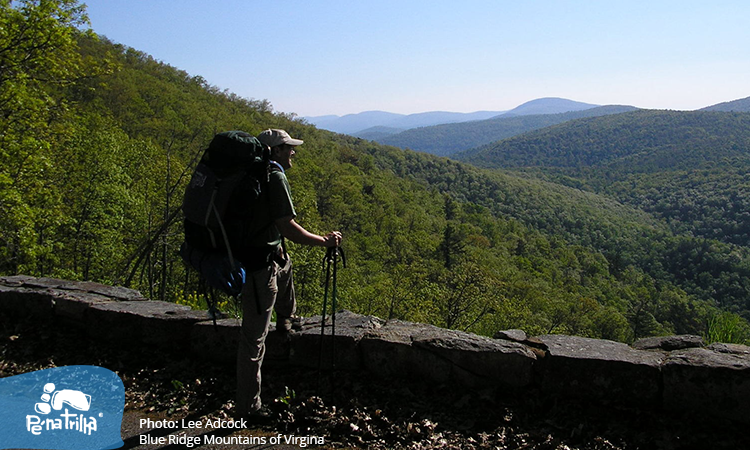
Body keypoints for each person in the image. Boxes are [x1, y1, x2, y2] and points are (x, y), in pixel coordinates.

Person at [234, 128, 342, 420]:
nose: (293, 152)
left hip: (256, 257)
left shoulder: (251, 173)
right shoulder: (274, 175)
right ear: (275, 151)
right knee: (253, 339)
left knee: (285, 263)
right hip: (258, 268)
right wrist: (324, 241)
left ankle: (286, 318)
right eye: (288, 148)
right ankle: (248, 407)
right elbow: (288, 228)